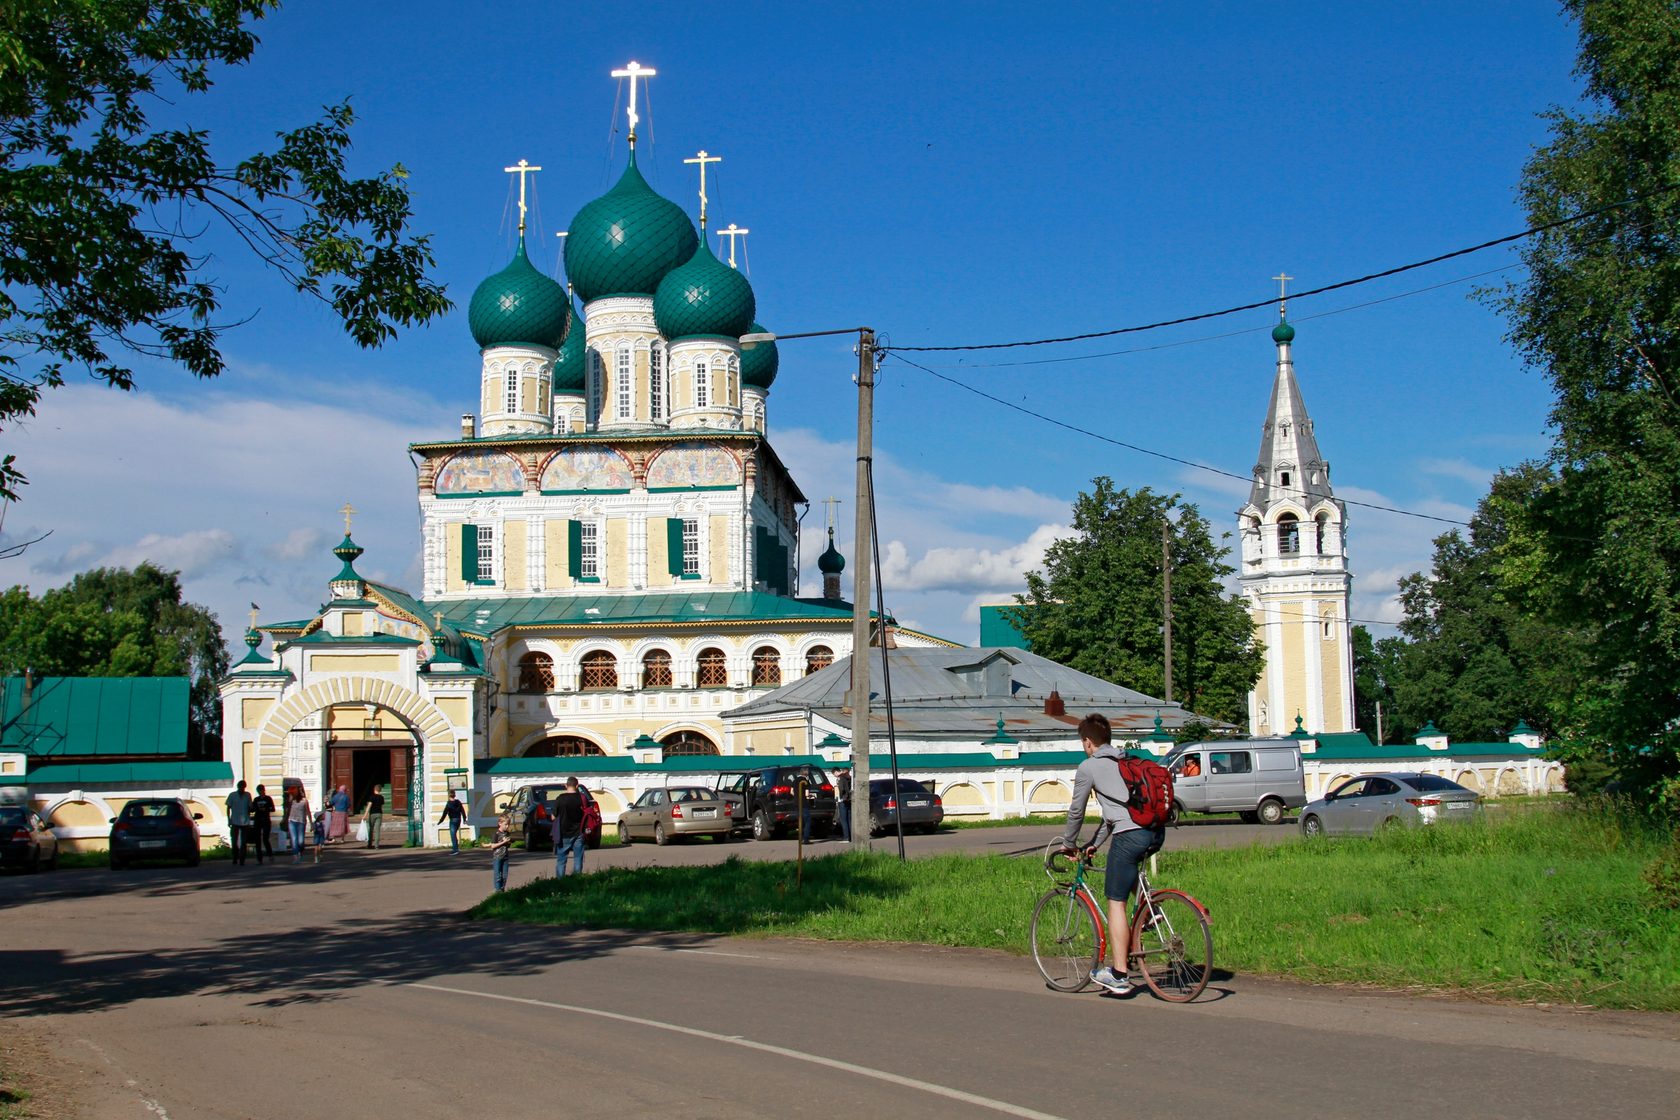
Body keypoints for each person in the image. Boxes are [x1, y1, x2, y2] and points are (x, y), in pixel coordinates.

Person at [1058, 712, 1165, 996]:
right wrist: (1095, 842)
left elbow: (1076, 811)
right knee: (1127, 870)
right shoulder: (1126, 761)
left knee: (1114, 901)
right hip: (1154, 831)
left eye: (1083, 742)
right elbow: (1115, 813)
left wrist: (1069, 843)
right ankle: (1150, 912)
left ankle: (1118, 975)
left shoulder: (1089, 767)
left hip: (1130, 835)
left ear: (1088, 741)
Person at [550, 777, 586, 877]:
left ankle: (560, 882)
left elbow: (553, 816)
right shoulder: (582, 798)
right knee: (578, 858)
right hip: (579, 832)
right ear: (577, 786)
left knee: (561, 860)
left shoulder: (560, 798)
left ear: (566, 786)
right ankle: (577, 880)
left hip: (564, 832)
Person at [225, 780, 253, 866]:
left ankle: (242, 859)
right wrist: (229, 819)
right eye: (240, 787)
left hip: (245, 821)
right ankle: (235, 857)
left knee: (244, 842)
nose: (242, 789)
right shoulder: (232, 795)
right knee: (234, 841)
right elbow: (228, 808)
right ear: (238, 787)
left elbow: (250, 807)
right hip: (235, 821)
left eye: (243, 787)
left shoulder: (247, 795)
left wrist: (251, 811)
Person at [250, 784, 275, 863]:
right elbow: (252, 810)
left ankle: (270, 855)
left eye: (262, 790)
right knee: (257, 840)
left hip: (266, 820)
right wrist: (253, 808)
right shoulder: (256, 799)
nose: (261, 792)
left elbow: (273, 809)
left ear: (264, 790)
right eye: (259, 791)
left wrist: (266, 809)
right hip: (257, 820)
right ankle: (259, 858)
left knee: (265, 839)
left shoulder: (268, 798)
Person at [286, 788, 311, 865]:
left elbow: (308, 811)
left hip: (301, 822)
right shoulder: (291, 801)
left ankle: (299, 852)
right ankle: (295, 856)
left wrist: (311, 822)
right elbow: (288, 811)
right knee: (294, 839)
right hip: (292, 821)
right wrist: (285, 819)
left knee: (300, 841)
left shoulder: (304, 801)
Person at [490, 814, 513, 892]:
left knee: (504, 875)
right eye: (505, 824)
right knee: (497, 875)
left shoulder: (507, 833)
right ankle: (497, 890)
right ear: (500, 823)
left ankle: (502, 889)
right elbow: (493, 846)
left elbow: (508, 845)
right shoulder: (496, 834)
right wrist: (503, 842)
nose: (507, 826)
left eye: (508, 824)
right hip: (497, 857)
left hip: (505, 856)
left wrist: (508, 842)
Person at [834, 768, 853, 842]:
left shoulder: (840, 778)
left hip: (843, 800)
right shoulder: (849, 778)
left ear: (836, 772)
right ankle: (851, 837)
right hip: (849, 800)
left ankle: (846, 837)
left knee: (843, 820)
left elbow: (841, 789)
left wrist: (841, 797)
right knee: (849, 819)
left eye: (834, 774)